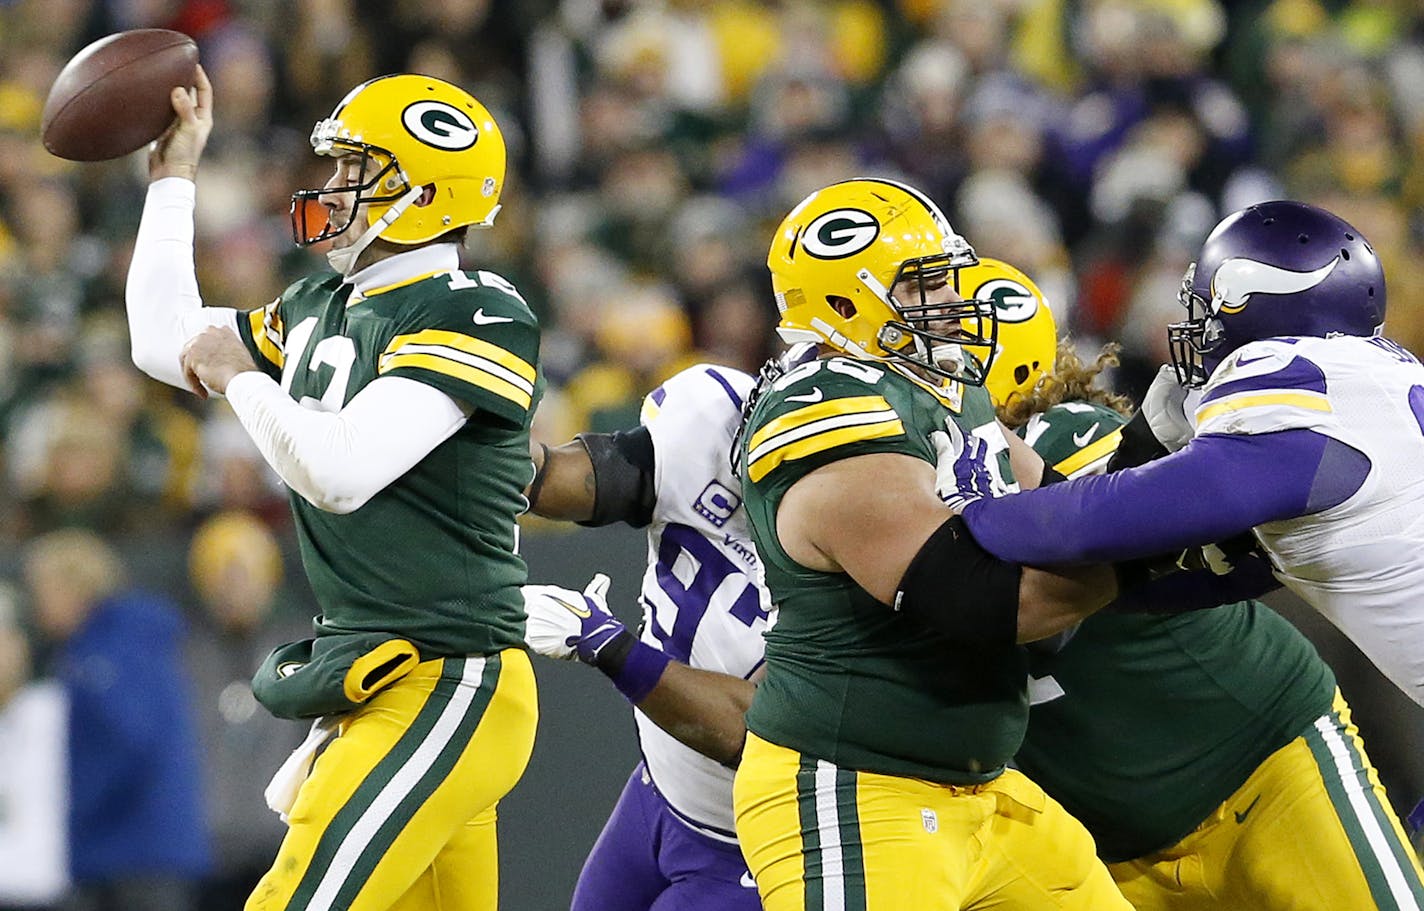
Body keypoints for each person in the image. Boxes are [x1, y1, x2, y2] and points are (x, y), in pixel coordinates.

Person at [124, 66, 540, 911]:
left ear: (426, 192)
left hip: (448, 679)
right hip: (378, 676)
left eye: (359, 170)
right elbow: (160, 339)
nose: (333, 187)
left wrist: (244, 379)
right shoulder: (321, 302)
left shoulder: (476, 308)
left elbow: (339, 473)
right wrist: (174, 180)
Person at [731, 177, 1129, 910]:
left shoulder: (940, 384)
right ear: (845, 304)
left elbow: (1063, 504)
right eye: (923, 286)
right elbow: (984, 600)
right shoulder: (831, 415)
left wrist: (1169, 467)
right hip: (857, 792)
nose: (952, 300)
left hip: (981, 789)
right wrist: (1157, 553)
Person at [985, 273, 1424, 909]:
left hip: (1262, 764)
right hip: (1106, 838)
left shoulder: (1066, 436)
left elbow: (1050, 585)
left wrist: (960, 527)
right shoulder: (872, 483)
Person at [956, 200, 1424, 716]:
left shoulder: (1286, 383)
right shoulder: (1382, 373)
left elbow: (1093, 522)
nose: (1195, 331)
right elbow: (1235, 574)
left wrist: (976, 506)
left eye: (1206, 310)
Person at [521, 360, 771, 910]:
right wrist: (477, 436)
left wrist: (611, 647)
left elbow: (752, 733)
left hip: (755, 846)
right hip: (657, 790)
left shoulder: (860, 558)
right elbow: (573, 479)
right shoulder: (715, 422)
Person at [25, 529, 211, 911]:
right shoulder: (107, 644)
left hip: (136, 851)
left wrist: (74, 807)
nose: (38, 606)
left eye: (43, 590)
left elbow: (130, 738)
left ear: (73, 586)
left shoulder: (113, 649)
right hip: (135, 846)